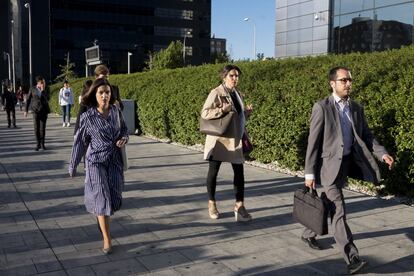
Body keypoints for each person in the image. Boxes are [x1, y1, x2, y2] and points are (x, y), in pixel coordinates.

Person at [302, 66, 394, 274]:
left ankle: (308, 232)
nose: (349, 84)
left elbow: (367, 136)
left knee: (327, 204)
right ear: (332, 83)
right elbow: (313, 143)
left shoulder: (356, 108)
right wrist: (309, 173)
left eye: (350, 80)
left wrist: (382, 154)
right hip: (328, 167)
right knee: (339, 211)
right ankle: (352, 258)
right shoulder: (322, 107)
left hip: (346, 164)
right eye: (344, 80)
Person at [69, 78, 128, 255]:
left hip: (114, 161)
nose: (105, 95)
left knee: (115, 198)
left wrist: (124, 138)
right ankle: (107, 239)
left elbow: (124, 129)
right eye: (101, 92)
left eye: (107, 92)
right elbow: (79, 142)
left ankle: (100, 213)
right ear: (95, 95)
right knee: (102, 199)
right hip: (95, 162)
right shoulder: (88, 117)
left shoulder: (116, 111)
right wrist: (73, 165)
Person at [201, 64, 253, 222]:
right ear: (224, 77)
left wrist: (246, 114)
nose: (235, 78)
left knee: (239, 173)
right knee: (213, 171)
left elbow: (236, 116)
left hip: (235, 139)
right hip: (219, 139)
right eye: (232, 75)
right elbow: (205, 113)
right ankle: (212, 203)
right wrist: (222, 110)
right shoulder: (216, 92)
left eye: (237, 76)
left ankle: (239, 205)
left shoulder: (238, 94)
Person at [24, 76, 50, 150]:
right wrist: (26, 110)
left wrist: (43, 91)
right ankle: (38, 144)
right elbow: (28, 99)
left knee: (42, 128)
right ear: (37, 82)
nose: (41, 83)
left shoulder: (45, 89)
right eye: (40, 82)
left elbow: (48, 98)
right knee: (36, 128)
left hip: (44, 111)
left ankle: (42, 144)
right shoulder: (32, 88)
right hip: (35, 111)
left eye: (42, 82)